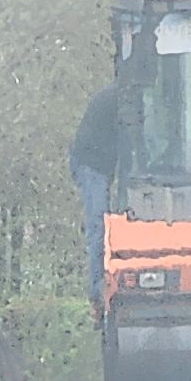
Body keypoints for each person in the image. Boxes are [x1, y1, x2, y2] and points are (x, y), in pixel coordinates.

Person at [70, 82, 120, 323]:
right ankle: (97, 296)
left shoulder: (119, 98)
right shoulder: (117, 102)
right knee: (99, 226)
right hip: (91, 165)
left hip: (104, 165)